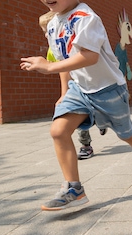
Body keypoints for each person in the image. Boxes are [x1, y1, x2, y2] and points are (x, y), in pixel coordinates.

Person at [21, 0, 132, 211]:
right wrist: (63, 91)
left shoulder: (86, 18)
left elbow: (88, 57)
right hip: (79, 89)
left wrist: (47, 67)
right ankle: (74, 188)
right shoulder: (52, 24)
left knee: (126, 134)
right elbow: (63, 62)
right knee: (58, 130)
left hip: (109, 90)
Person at [39, 11, 97, 160]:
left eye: (48, 30)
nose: (46, 35)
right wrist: (64, 93)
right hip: (74, 88)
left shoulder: (72, 43)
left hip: (87, 84)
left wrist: (64, 94)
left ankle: (99, 120)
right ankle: (86, 145)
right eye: (45, 32)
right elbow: (61, 72)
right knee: (73, 115)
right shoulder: (53, 50)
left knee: (97, 112)